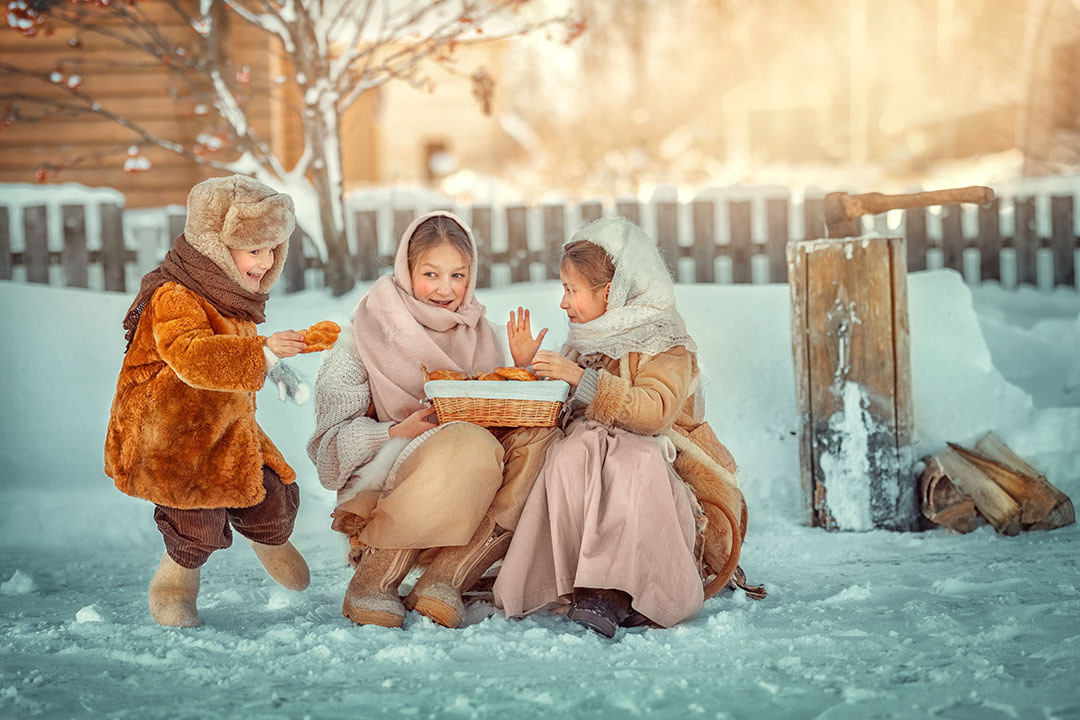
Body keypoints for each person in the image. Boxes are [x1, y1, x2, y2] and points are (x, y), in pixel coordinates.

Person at [493, 217, 761, 638]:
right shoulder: (584, 342)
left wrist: (580, 379)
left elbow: (653, 413)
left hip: (663, 465)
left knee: (631, 459)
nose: (564, 304)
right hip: (594, 451)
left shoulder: (664, 342)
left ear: (611, 292)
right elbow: (563, 407)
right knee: (569, 453)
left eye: (571, 290)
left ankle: (620, 586)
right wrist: (531, 367)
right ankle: (576, 578)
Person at [307, 211, 558, 630]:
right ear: (406, 271)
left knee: (543, 439)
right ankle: (377, 577)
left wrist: (524, 371)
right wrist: (392, 432)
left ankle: (447, 578)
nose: (446, 290)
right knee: (466, 441)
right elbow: (328, 455)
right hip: (389, 498)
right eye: (430, 274)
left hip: (475, 500)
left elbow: (513, 424)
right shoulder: (364, 335)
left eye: (458, 275)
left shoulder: (486, 335)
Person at [104, 174, 311, 628]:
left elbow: (237, 358)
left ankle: (270, 539)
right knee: (195, 518)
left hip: (223, 424)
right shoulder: (174, 295)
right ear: (214, 245)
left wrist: (277, 369)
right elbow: (192, 356)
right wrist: (265, 351)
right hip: (171, 434)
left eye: (273, 248)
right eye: (254, 249)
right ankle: (174, 587)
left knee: (271, 491)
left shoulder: (231, 297)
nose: (266, 260)